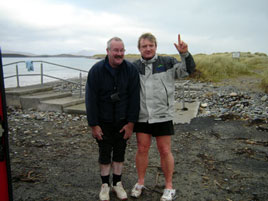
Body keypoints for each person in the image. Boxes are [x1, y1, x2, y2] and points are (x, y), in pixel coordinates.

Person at [130, 33, 195, 201]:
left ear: (155, 47)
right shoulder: (134, 67)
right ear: (139, 49)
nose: (148, 48)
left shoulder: (168, 62)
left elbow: (187, 70)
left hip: (163, 116)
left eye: (151, 45)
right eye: (144, 46)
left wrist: (185, 54)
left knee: (165, 150)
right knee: (142, 150)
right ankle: (140, 182)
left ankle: (169, 187)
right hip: (143, 116)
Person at [85, 37, 140, 201]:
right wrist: (93, 125)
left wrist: (131, 124)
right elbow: (90, 99)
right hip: (103, 121)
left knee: (119, 152)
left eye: (122, 50)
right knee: (104, 153)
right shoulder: (96, 71)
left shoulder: (130, 70)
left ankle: (117, 183)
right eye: (115, 50)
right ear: (108, 51)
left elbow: (134, 98)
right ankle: (104, 186)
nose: (119, 53)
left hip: (123, 121)